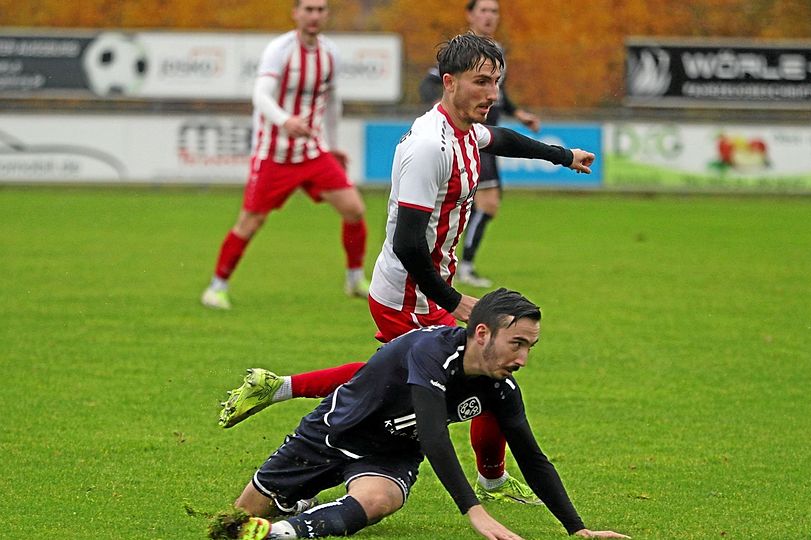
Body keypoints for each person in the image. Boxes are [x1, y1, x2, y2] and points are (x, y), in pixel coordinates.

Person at [217, 33, 596, 505]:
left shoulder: (466, 131)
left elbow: (500, 138)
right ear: (449, 82)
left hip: (424, 287)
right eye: (481, 82)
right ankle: (482, 481)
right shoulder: (428, 147)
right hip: (406, 294)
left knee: (434, 375)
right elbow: (407, 242)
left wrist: (562, 156)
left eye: (496, 82)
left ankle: (280, 389)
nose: (492, 94)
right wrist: (455, 301)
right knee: (465, 375)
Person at [208, 289, 630, 540]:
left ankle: (284, 533)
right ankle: (297, 500)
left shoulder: (500, 387)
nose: (522, 359)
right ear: (482, 333)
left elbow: (532, 458)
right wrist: (474, 510)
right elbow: (433, 434)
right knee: (237, 517)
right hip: (333, 434)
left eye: (529, 347)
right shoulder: (432, 351)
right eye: (516, 343)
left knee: (381, 499)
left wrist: (577, 528)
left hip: (390, 455)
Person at [201, 0, 370, 310]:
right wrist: (284, 120)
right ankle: (216, 287)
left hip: (312, 152)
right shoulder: (279, 50)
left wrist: (333, 144)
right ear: (296, 13)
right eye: (308, 9)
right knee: (250, 222)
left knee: (354, 209)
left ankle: (354, 279)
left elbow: (332, 102)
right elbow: (260, 95)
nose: (314, 15)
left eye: (320, 10)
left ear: (326, 14)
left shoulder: (330, 53)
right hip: (274, 154)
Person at [419, 0, 541, 287]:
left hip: (488, 137)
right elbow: (430, 83)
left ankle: (452, 262)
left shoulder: (496, 51)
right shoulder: (462, 51)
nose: (489, 16)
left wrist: (519, 114)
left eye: (494, 11)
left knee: (480, 203)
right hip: (469, 135)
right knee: (486, 202)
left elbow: (500, 94)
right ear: (470, 15)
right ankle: (461, 266)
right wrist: (441, 108)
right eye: (483, 10)